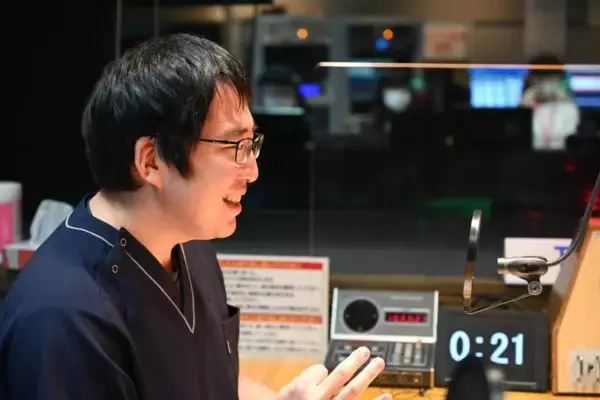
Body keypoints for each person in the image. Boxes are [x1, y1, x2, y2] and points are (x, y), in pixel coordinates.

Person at [0, 34, 390, 400]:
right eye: (234, 145)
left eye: (252, 143)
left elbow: (214, 377)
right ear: (151, 161)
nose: (253, 170)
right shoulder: (64, 318)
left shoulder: (187, 243)